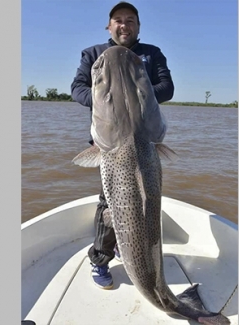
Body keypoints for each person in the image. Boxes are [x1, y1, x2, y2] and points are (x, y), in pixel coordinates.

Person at [70, 1, 175, 290]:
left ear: (138, 26)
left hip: (145, 143)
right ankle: (101, 258)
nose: (124, 25)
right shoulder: (93, 54)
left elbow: (167, 87)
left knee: (148, 201)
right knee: (111, 204)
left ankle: (142, 256)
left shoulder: (152, 55)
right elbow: (77, 88)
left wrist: (137, 94)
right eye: (118, 20)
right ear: (109, 25)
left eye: (130, 20)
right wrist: (107, 99)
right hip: (112, 146)